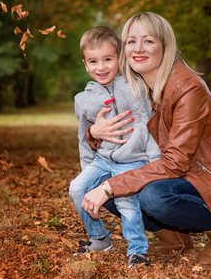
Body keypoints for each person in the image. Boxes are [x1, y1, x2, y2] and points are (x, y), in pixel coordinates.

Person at [81, 12, 211, 268]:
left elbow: (176, 162)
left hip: (208, 185)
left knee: (149, 196)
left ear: (164, 45)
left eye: (148, 41)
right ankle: (174, 237)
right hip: (173, 178)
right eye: (131, 42)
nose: (138, 49)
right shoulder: (134, 85)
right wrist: (94, 133)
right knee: (101, 181)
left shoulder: (188, 88)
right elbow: (103, 128)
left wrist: (110, 187)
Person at [68, 26, 161, 268]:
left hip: (132, 158)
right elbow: (84, 135)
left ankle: (138, 251)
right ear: (85, 64)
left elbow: (146, 125)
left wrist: (153, 159)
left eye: (108, 59)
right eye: (93, 61)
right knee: (78, 188)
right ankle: (99, 239)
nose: (101, 67)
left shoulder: (134, 87)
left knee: (125, 202)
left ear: (119, 58)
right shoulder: (87, 98)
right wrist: (87, 168)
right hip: (102, 159)